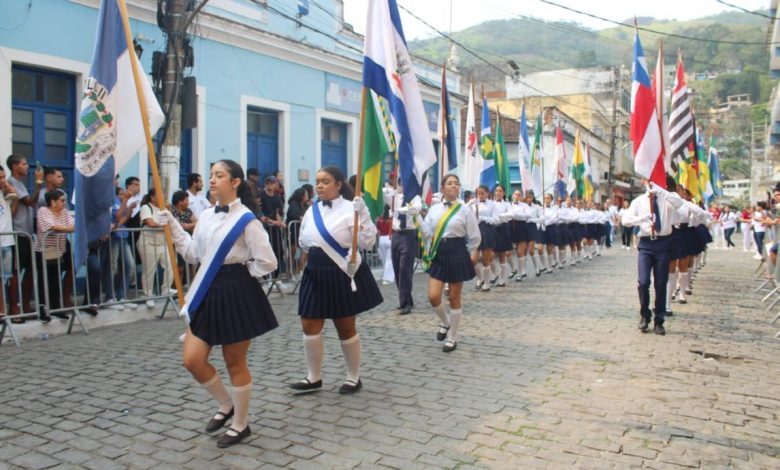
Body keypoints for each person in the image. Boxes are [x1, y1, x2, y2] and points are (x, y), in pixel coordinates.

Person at [156, 159, 279, 448]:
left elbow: (268, 261)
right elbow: (192, 254)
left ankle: (241, 424)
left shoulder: (247, 219)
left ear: (235, 182)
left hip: (236, 292)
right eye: (211, 175)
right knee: (193, 360)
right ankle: (227, 404)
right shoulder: (207, 215)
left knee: (234, 362)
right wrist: (173, 225)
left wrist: (242, 275)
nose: (212, 180)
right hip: (208, 290)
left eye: (219, 175)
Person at [288, 166, 382, 395]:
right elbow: (304, 240)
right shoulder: (311, 211)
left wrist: (365, 215)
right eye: (317, 181)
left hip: (340, 272)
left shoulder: (352, 208)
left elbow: (368, 242)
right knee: (309, 324)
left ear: (339, 184)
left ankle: (353, 377)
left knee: (345, 326)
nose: (319, 185)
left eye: (325, 181)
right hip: (315, 273)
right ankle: (314, 377)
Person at [422, 174, 480, 352]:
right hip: (439, 253)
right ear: (443, 188)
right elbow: (426, 232)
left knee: (454, 297)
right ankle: (445, 322)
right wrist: (416, 218)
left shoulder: (464, 210)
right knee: (433, 296)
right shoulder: (434, 209)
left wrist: (473, 253)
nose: (453, 186)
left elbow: (474, 235)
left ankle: (452, 338)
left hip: (457, 253)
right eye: (449, 183)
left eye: (456, 183)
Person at [621, 179, 684, 335]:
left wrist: (660, 191)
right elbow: (625, 220)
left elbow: (679, 203)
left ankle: (659, 320)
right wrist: (641, 219)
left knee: (660, 283)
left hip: (663, 244)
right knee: (643, 282)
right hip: (646, 244)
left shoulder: (666, 198)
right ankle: (644, 315)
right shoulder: (639, 201)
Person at [6, 154, 43, 322]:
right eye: (23, 163)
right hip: (18, 233)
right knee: (15, 271)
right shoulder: (11, 182)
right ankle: (14, 307)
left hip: (27, 234)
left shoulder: (19, 183)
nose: (27, 166)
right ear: (14, 167)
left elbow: (31, 203)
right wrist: (38, 184)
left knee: (30, 268)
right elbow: (29, 201)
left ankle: (25, 303)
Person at [35, 190, 74, 321]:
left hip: (58, 250)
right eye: (62, 200)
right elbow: (50, 226)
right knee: (43, 280)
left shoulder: (64, 212)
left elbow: (72, 224)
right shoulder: (43, 211)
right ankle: (42, 310)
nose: (64, 203)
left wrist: (64, 228)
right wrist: (65, 228)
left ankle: (57, 308)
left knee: (55, 279)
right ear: (52, 201)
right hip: (43, 251)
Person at [388, 179, 421, 315]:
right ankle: (407, 298)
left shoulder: (415, 198)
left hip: (408, 235)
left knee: (404, 269)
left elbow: (416, 209)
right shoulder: (395, 196)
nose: (403, 187)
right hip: (396, 234)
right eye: (402, 184)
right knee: (397, 268)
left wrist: (401, 209)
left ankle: (406, 303)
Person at [139, 188, 174, 308]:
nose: (163, 199)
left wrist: (168, 210)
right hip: (148, 243)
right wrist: (164, 225)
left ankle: (166, 289)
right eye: (160, 196)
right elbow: (150, 223)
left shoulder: (163, 209)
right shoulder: (146, 208)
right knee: (150, 270)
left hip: (162, 243)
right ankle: (148, 295)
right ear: (153, 197)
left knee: (171, 265)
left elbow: (171, 221)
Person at [469, 185, 498, 292]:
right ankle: (480, 278)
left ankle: (486, 283)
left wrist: (483, 218)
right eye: (478, 193)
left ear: (487, 193)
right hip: (475, 231)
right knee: (473, 259)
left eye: (482, 193)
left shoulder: (492, 205)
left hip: (487, 230)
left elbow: (495, 219)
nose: (480, 195)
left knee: (486, 259)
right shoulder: (473, 204)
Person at [259, 175, 285, 278]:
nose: (269, 185)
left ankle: (275, 277)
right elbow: (260, 213)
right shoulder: (261, 196)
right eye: (267, 183)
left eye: (271, 183)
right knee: (266, 252)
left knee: (278, 251)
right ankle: (265, 277)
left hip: (275, 229)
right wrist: (273, 222)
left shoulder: (277, 197)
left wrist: (279, 222)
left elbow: (278, 212)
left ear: (275, 184)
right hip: (265, 228)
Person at [0, 166, 16, 320]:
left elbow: (13, 212)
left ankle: (2, 313)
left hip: (6, 242)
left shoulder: (5, 194)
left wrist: (13, 195)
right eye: (0, 178)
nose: (3, 180)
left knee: (3, 279)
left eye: (4, 177)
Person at [286, 187, 309, 277]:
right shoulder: (293, 204)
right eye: (305, 194)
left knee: (303, 250)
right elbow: (294, 215)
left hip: (299, 231)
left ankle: (300, 270)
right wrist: (301, 218)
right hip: (292, 231)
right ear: (302, 196)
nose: (307, 196)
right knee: (293, 251)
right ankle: (289, 271)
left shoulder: (302, 205)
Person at [376, 205, 394, 285]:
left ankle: (386, 274)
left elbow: (378, 230)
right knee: (389, 260)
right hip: (390, 238)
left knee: (384, 259)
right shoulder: (392, 220)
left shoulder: (380, 219)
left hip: (381, 239)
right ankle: (387, 278)